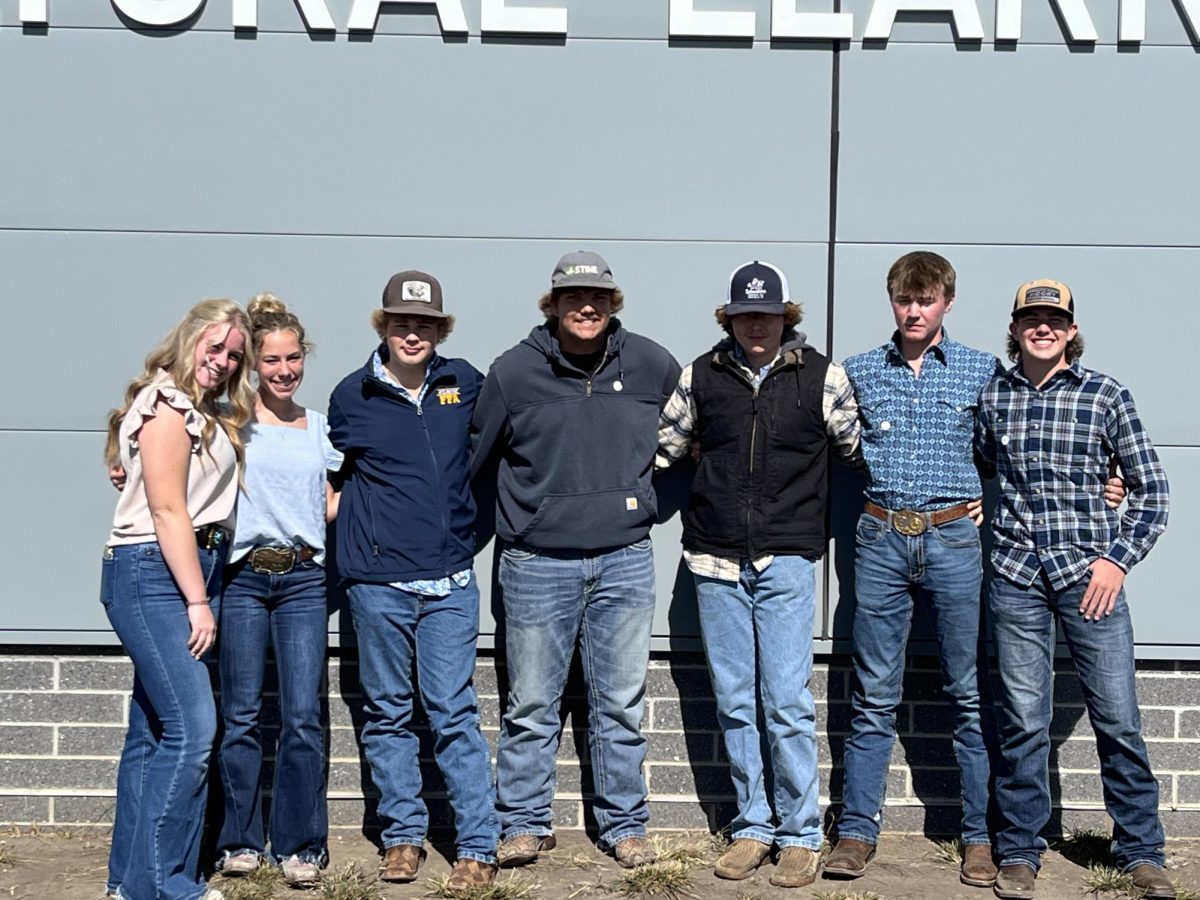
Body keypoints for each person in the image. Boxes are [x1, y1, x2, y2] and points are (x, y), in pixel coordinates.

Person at [471, 251, 681, 869]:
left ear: (613, 304)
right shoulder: (513, 373)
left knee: (620, 701)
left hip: (624, 558)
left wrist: (642, 498)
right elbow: (476, 461)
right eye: (571, 297)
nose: (585, 307)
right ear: (553, 303)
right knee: (532, 704)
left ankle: (625, 825)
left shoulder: (651, 363)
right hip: (537, 561)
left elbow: (689, 438)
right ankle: (524, 823)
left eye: (597, 297)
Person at [656, 262, 861, 888]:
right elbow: (662, 447)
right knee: (737, 701)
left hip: (788, 558)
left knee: (788, 701)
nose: (756, 324)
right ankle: (752, 826)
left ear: (785, 317)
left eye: (767, 314)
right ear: (730, 318)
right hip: (714, 558)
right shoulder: (701, 376)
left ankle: (800, 834)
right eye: (745, 314)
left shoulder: (823, 378)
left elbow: (860, 449)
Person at [976, 280, 1174, 900]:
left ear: (1071, 328)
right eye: (1031, 318)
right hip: (1014, 578)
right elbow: (983, 467)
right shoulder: (993, 397)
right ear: (1013, 329)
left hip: (1091, 579)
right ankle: (1017, 851)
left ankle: (1141, 852)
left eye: (1053, 319)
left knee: (1117, 717)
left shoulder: (1106, 395)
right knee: (1023, 722)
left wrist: (1117, 560)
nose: (1043, 328)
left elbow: (1153, 490)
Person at [829, 251, 1003, 887]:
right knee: (874, 693)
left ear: (946, 304)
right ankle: (855, 832)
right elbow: (842, 446)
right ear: (892, 301)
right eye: (904, 299)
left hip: (954, 538)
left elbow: (1008, 445)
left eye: (925, 300)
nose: (914, 311)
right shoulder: (861, 372)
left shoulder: (982, 371)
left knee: (965, 690)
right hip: (880, 537)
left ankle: (980, 837)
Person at [327, 271, 498, 893]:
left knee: (454, 713)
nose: (412, 333)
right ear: (385, 327)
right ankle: (401, 838)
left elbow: (514, 440)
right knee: (389, 713)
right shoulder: (352, 396)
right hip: (378, 584)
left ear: (439, 330)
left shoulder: (465, 385)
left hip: (451, 581)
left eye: (424, 324)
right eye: (401, 323)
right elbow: (323, 474)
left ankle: (478, 845)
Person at [101, 299, 254, 900]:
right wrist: (197, 599)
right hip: (156, 574)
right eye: (213, 347)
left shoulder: (195, 407)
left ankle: (127, 882)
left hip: (179, 566)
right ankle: (164, 885)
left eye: (232, 355)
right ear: (189, 340)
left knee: (153, 733)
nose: (221, 361)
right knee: (193, 731)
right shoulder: (167, 407)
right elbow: (166, 510)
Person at [212, 294, 341, 887]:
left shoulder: (318, 429)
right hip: (242, 580)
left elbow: (336, 495)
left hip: (303, 582)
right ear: (253, 365)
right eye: (271, 361)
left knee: (300, 717)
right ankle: (239, 841)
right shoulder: (229, 426)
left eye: (293, 359)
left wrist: (322, 519)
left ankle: (300, 846)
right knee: (238, 715)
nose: (284, 370)